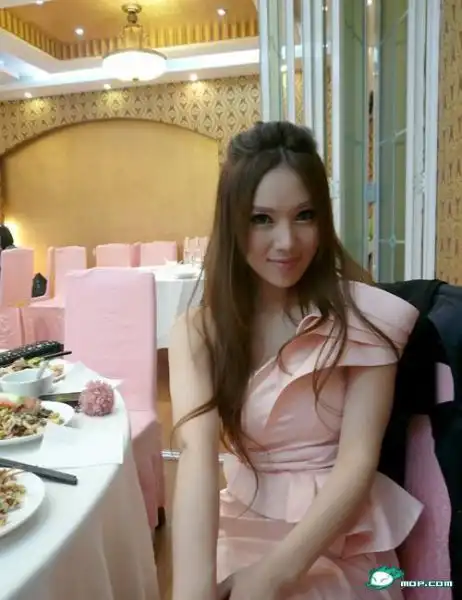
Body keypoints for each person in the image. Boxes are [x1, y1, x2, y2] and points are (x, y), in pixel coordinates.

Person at [168, 121, 423, 600]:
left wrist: (274, 576)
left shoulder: (366, 318)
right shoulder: (198, 332)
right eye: (262, 219)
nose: (286, 241)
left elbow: (357, 461)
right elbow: (197, 459)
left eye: (304, 215)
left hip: (338, 534)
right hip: (243, 517)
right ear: (232, 222)